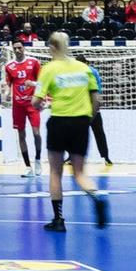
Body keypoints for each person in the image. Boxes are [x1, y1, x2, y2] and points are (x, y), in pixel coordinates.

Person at [36, 30, 106, 232]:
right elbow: (97, 100)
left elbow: (36, 101)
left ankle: (58, 219)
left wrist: (39, 104)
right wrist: (87, 119)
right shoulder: (84, 68)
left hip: (59, 122)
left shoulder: (49, 69)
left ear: (52, 47)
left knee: (55, 172)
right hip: (81, 124)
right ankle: (97, 196)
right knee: (80, 172)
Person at [3, 42, 44, 177]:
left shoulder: (34, 62)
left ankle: (38, 159)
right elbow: (9, 83)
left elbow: (43, 82)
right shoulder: (9, 66)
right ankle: (28, 167)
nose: (17, 50)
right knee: (21, 135)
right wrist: (8, 93)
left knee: (36, 133)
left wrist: (37, 91)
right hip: (18, 105)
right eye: (15, 48)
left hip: (32, 103)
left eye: (19, 47)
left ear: (24, 48)